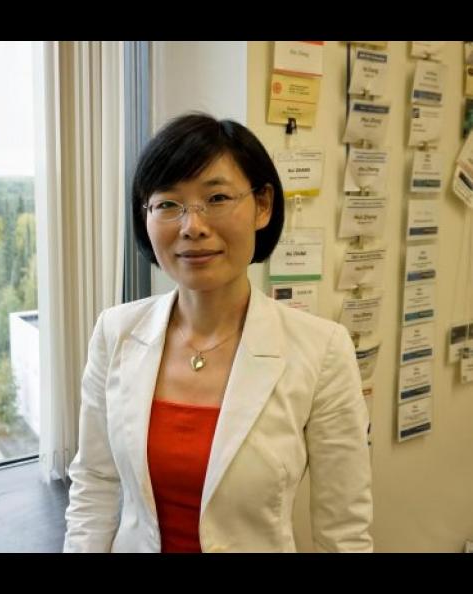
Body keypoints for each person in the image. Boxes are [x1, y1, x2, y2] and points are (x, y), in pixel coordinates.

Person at [63, 113, 373, 553]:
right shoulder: (115, 333)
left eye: (217, 197)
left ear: (262, 206)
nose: (193, 225)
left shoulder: (321, 351)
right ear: (145, 216)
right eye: (168, 204)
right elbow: (94, 483)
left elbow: (343, 531)